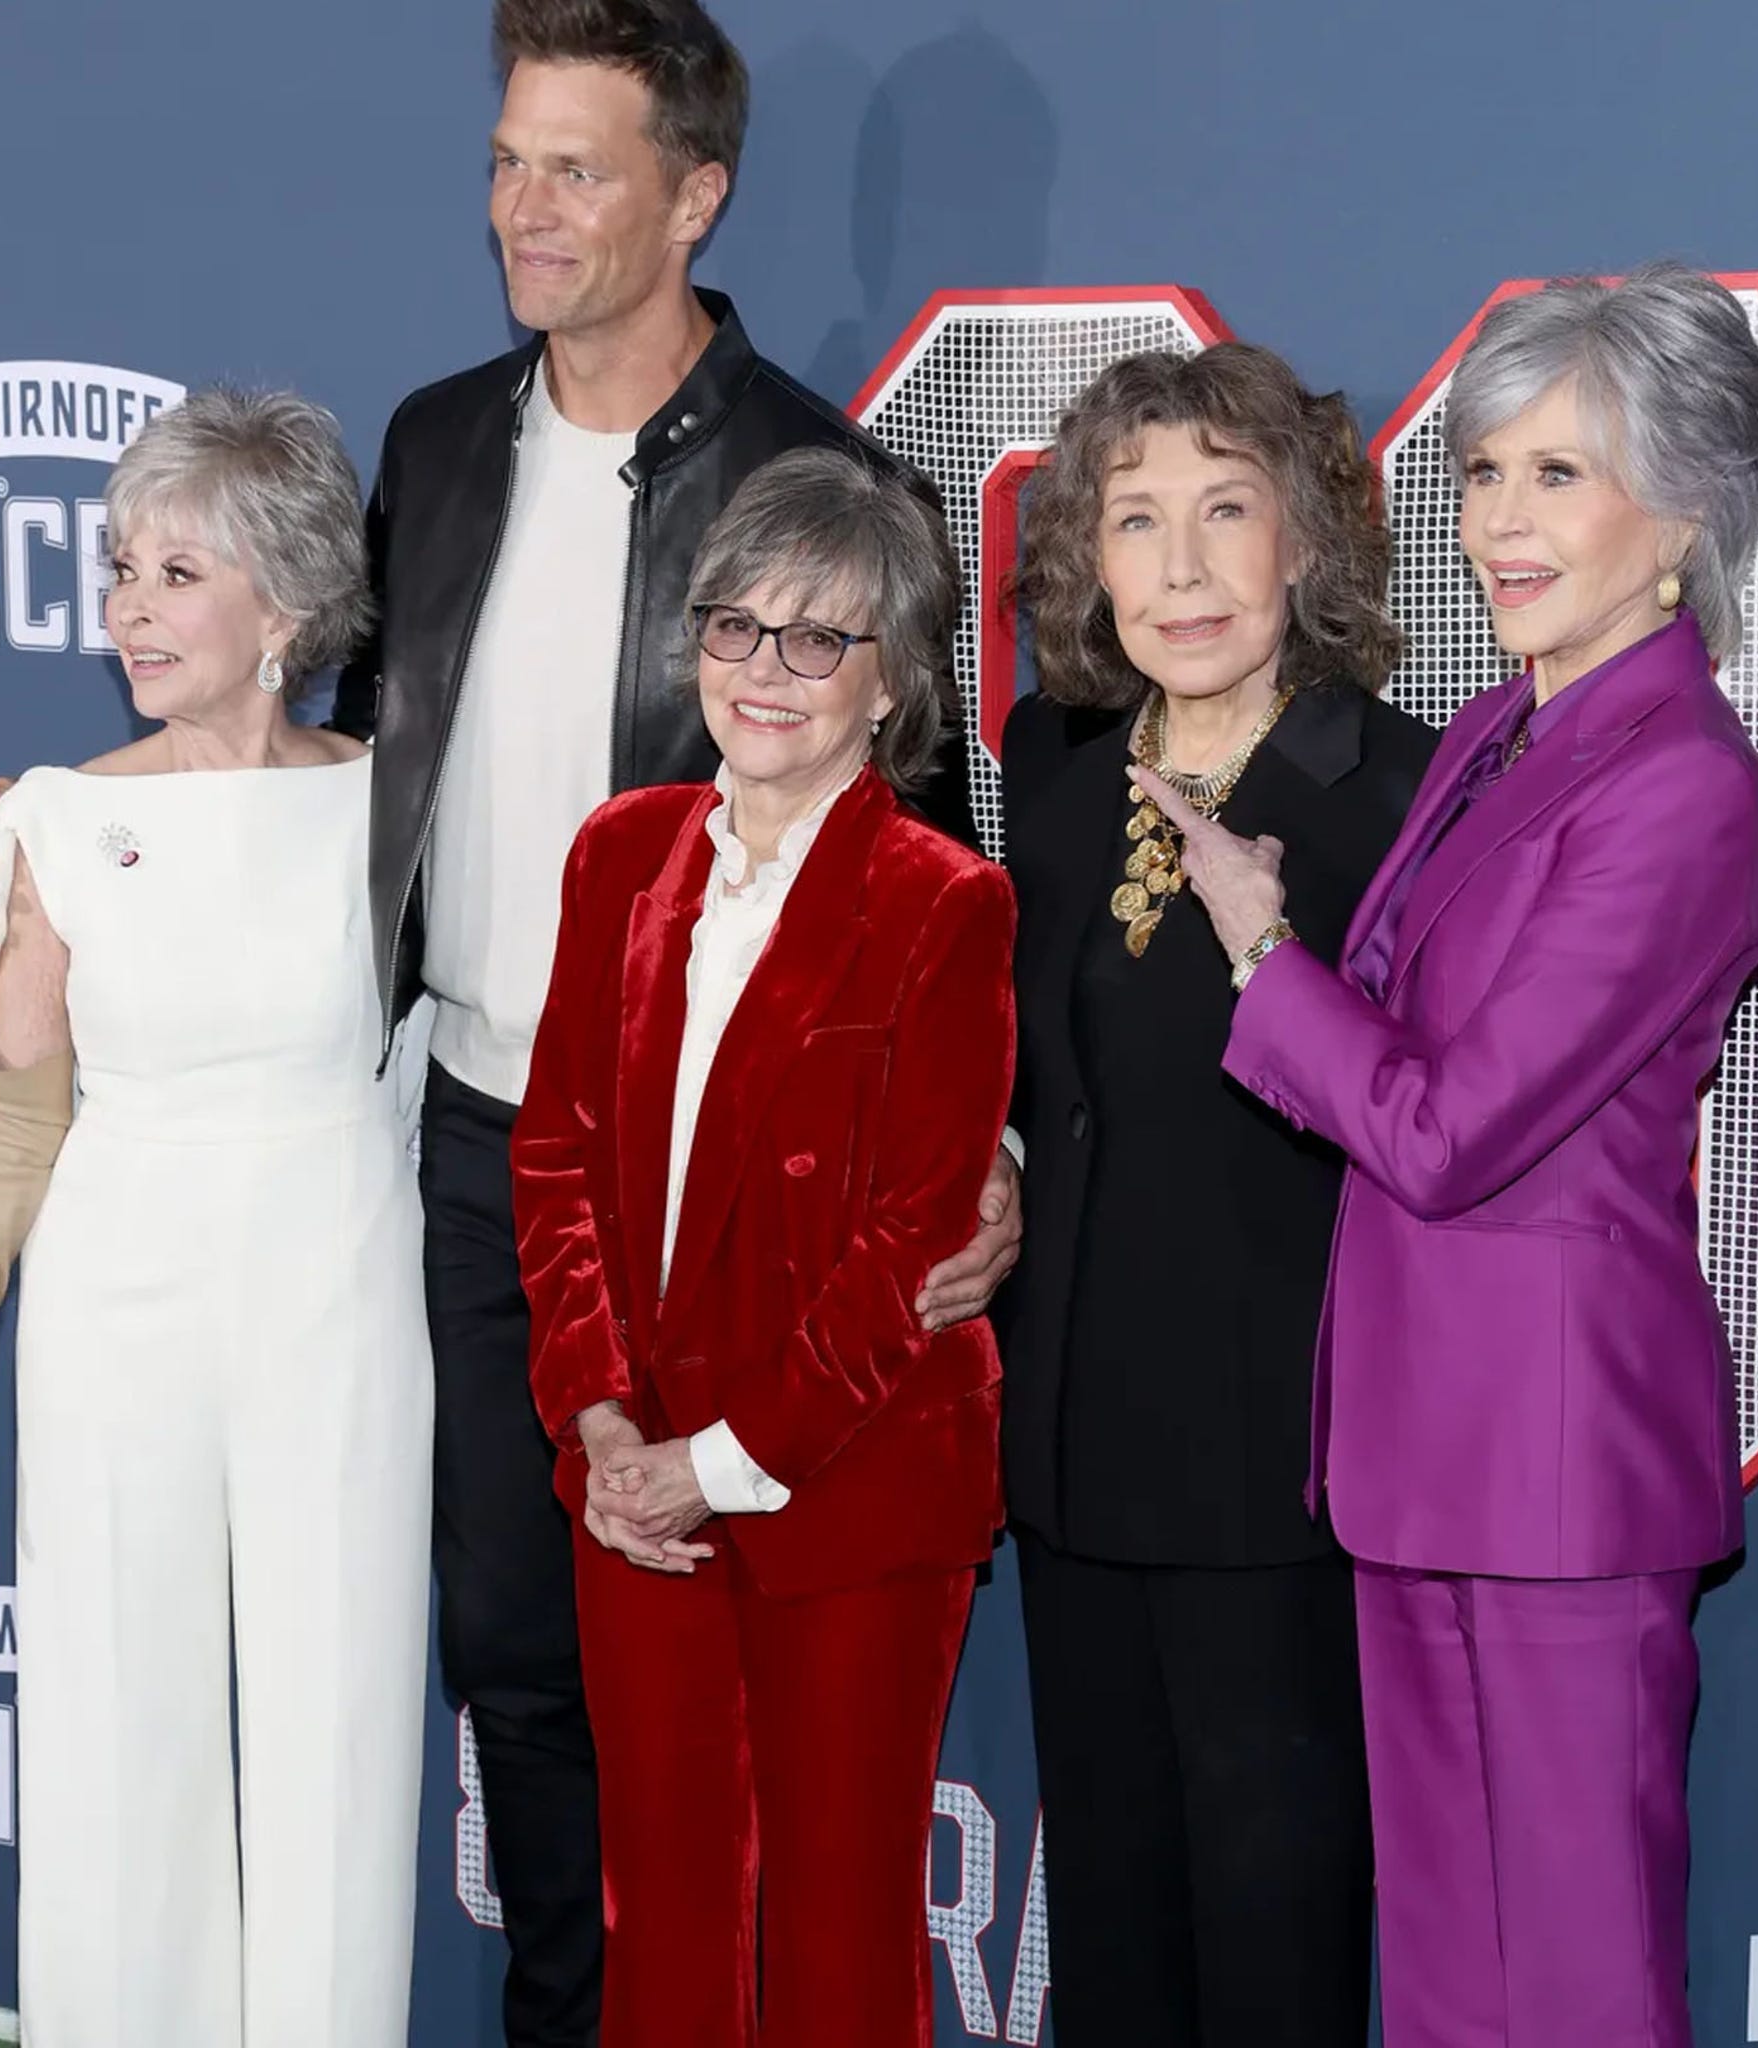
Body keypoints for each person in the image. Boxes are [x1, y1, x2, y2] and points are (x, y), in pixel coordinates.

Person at [0, 6, 1020, 2039]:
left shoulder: (818, 476)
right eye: (509, 160)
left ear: (696, 196)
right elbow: (307, 762)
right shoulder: (437, 440)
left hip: (716, 1175)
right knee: (521, 1669)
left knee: (733, 1704)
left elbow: (933, 851)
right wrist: (48, 843)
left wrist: (993, 1153)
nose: (524, 208)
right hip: (461, 1146)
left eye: (579, 168)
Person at [1134, 264, 1758, 2048]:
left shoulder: (1684, 785)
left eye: (1559, 477)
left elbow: (1444, 1123)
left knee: (1569, 1979)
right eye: (1489, 472)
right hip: (1425, 1454)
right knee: (1440, 1971)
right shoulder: (1508, 725)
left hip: (1563, 1478)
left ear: (1685, 517)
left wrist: (1261, 950)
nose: (1500, 520)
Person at [0, 390, 431, 2048]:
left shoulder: (394, 806)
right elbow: (20, 1114)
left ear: (283, 605)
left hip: (340, 1322)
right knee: (119, 1763)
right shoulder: (58, 815)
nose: (124, 605)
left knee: (340, 1762)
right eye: (118, 567)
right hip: (117, 1329)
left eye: (173, 571)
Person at [513, 447, 1015, 2048]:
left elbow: (916, 1236)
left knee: (836, 1927)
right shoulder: (618, 853)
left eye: (820, 640)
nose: (765, 673)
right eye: (737, 628)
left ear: (894, 685)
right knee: (656, 1907)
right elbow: (559, 1156)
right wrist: (599, 1419)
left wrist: (717, 1459)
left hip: (849, 1486)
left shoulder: (945, 901)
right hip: (632, 1474)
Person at [996, 342, 1435, 2046]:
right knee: (1110, 1941)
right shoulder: (1050, 773)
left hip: (1281, 1475)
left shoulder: (1392, 799)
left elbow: (1422, 1128)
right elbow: (1042, 1080)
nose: (1180, 570)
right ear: (1086, 562)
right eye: (1134, 520)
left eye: (1225, 512)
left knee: (1274, 1947)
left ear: (1306, 542)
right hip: (1072, 1451)